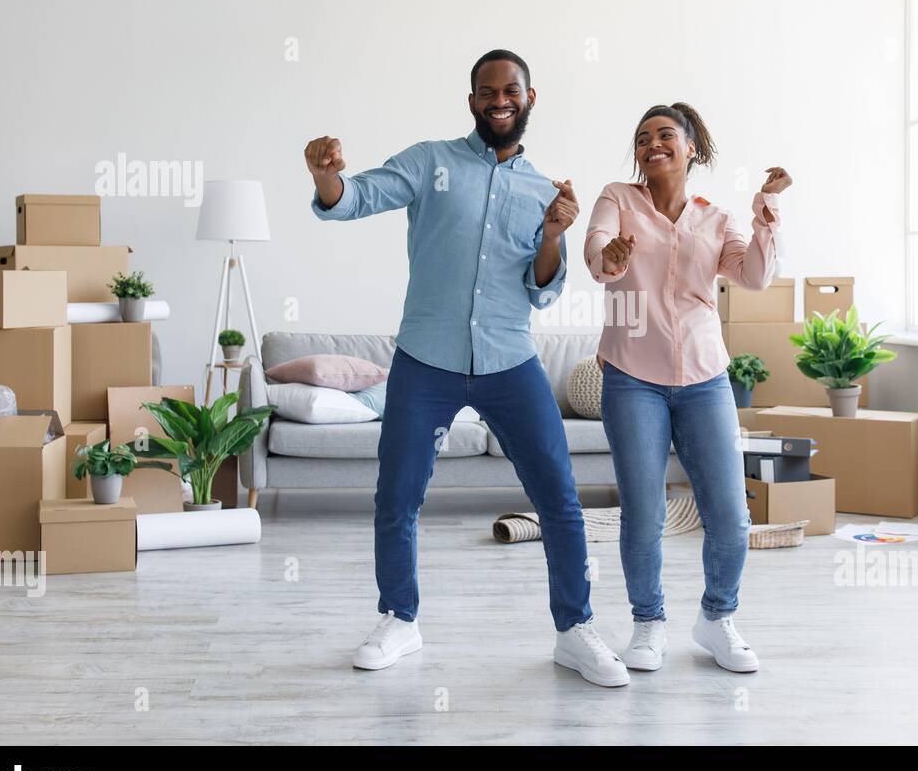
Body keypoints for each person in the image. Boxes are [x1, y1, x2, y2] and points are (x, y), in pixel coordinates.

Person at [307, 50, 629, 687]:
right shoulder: (431, 162)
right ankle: (399, 618)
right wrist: (327, 179)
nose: (499, 100)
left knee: (560, 500)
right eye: (487, 91)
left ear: (530, 99)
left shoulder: (547, 192)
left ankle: (575, 630)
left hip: (510, 361)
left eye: (511, 90)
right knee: (396, 496)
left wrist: (555, 234)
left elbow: (542, 291)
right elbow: (359, 196)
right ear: (473, 101)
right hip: (425, 360)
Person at [583, 102, 792, 673]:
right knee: (643, 513)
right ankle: (648, 623)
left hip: (705, 377)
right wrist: (611, 256)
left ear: (691, 146)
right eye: (643, 136)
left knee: (729, 514)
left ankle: (717, 619)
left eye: (666, 135)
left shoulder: (716, 218)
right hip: (631, 378)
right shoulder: (617, 198)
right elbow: (596, 256)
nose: (653, 143)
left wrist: (766, 209)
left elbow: (755, 276)